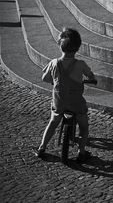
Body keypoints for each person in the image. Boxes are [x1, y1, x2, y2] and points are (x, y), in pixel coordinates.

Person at [36, 28, 96, 162]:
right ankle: (81, 152)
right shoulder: (81, 64)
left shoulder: (54, 63)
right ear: (78, 47)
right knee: (84, 126)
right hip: (76, 103)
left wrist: (55, 81)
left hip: (59, 101)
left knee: (52, 123)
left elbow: (44, 78)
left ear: (60, 45)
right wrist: (91, 79)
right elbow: (91, 76)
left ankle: (41, 148)